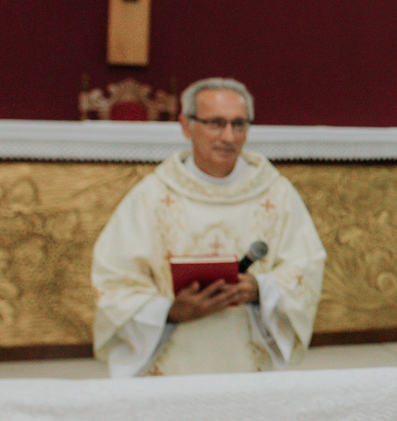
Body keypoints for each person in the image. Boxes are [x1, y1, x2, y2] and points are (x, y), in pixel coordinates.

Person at [92, 77, 326, 377]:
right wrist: (169, 312)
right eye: (215, 123)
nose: (228, 136)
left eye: (239, 124)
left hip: (250, 368)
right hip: (172, 365)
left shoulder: (276, 193)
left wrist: (261, 290)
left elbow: (306, 266)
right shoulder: (151, 195)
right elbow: (114, 280)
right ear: (186, 125)